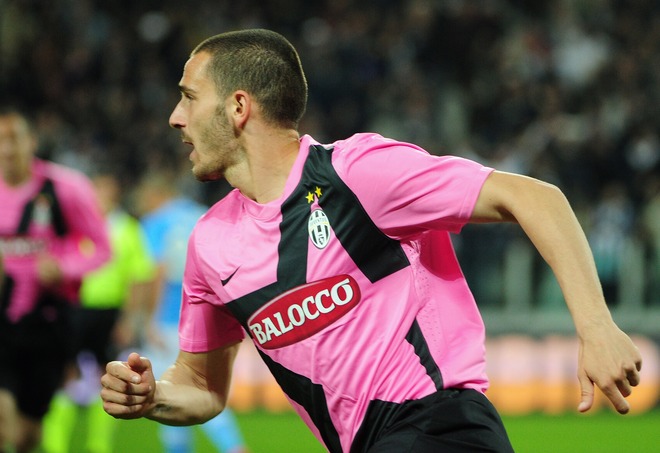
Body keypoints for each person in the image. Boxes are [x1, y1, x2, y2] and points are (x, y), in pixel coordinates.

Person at [100, 29, 643, 453]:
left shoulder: (356, 174)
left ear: (239, 107)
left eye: (189, 97)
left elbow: (536, 198)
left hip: (440, 425)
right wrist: (153, 397)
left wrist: (595, 326)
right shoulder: (211, 245)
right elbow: (202, 384)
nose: (175, 118)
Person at [0, 108, 111, 453]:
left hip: (47, 323)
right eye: (0, 140)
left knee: (27, 435)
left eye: (13, 138)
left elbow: (102, 248)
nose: (6, 148)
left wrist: (64, 267)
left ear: (31, 141)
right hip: (1, 319)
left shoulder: (65, 187)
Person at [41, 169, 156, 453]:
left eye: (104, 193)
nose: (98, 198)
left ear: (114, 196)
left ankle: (99, 445)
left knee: (108, 377)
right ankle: (54, 445)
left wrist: (130, 319)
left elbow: (138, 276)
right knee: (62, 375)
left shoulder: (128, 229)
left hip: (109, 314)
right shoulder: (74, 225)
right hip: (73, 310)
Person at [135, 171, 249, 453]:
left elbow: (157, 271)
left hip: (171, 318)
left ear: (153, 195)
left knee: (167, 391)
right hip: (209, 315)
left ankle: (228, 447)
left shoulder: (156, 222)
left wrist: (149, 318)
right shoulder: (203, 214)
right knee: (206, 387)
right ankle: (233, 446)